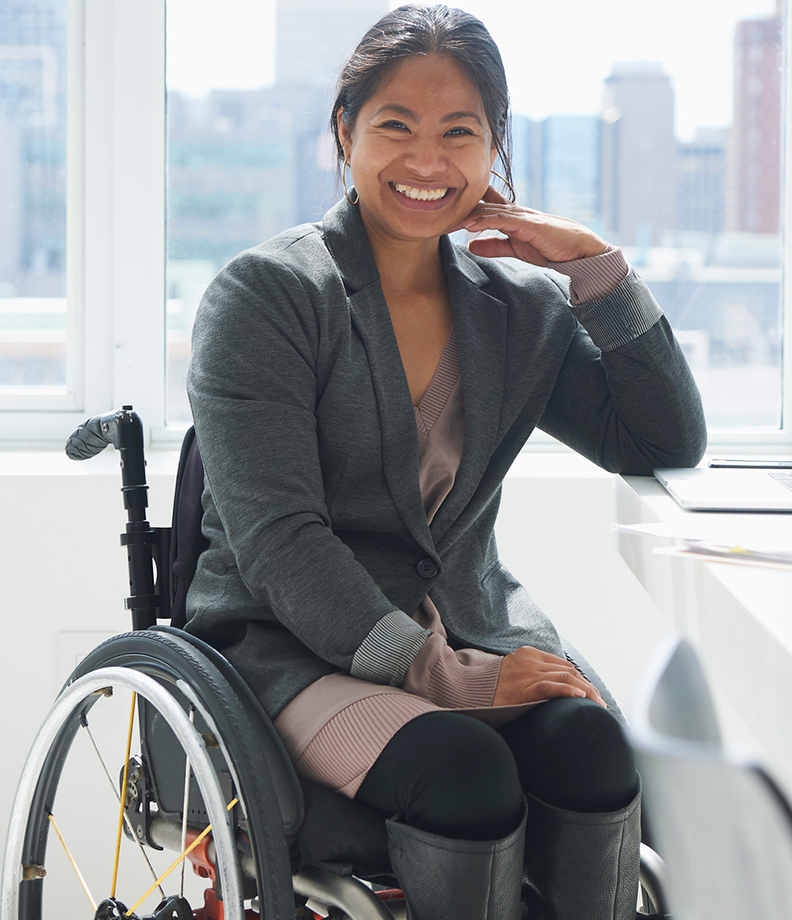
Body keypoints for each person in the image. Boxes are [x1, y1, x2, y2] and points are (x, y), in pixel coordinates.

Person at [185, 5, 705, 919]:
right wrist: (440, 676)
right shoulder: (267, 294)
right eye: (395, 126)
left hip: (467, 626)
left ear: (495, 146)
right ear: (344, 132)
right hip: (292, 648)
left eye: (458, 133)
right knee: (464, 772)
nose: (426, 162)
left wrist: (595, 271)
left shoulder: (522, 309)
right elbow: (279, 541)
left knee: (593, 750)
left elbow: (659, 440)